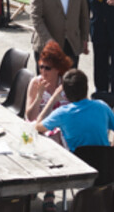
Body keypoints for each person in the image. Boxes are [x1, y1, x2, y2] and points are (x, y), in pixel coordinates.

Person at [26, 40, 73, 212]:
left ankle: (49, 193)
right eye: (41, 66)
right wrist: (38, 97)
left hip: (62, 131)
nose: (43, 71)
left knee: (56, 139)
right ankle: (38, 185)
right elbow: (29, 117)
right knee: (49, 139)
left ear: (58, 69)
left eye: (48, 68)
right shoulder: (35, 83)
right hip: (38, 128)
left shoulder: (66, 85)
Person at [36, 69, 114, 152]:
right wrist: (112, 156)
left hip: (79, 165)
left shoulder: (62, 113)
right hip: (105, 165)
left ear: (66, 94)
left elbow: (37, 126)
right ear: (86, 88)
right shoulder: (102, 106)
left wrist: (53, 98)